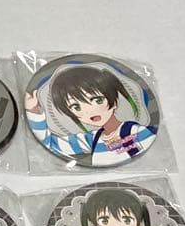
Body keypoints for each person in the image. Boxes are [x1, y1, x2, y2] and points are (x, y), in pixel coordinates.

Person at [25, 64, 157, 165]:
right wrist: (34, 111)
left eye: (97, 100)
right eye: (76, 107)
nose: (89, 112)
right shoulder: (91, 139)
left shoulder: (135, 131)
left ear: (114, 101)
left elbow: (148, 158)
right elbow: (50, 143)